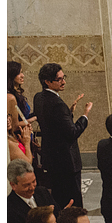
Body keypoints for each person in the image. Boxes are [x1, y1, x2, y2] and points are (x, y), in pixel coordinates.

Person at [32, 63, 91, 208]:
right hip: (66, 162)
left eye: (63, 77)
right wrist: (85, 115)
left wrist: (69, 112)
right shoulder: (57, 104)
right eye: (59, 79)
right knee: (73, 201)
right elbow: (72, 133)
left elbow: (53, 124)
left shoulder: (39, 97)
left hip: (51, 159)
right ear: (47, 82)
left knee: (58, 197)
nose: (63, 81)